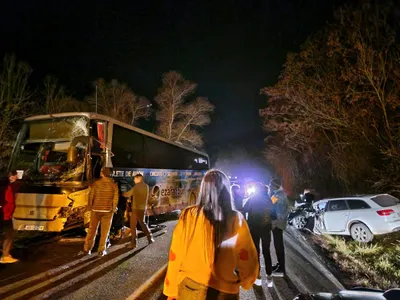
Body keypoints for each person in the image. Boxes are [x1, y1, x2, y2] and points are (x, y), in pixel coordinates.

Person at [163, 169, 259, 300]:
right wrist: (247, 280)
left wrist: (171, 289)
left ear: (203, 189)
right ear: (226, 190)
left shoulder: (188, 215)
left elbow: (175, 255)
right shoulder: (236, 219)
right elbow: (247, 255)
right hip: (225, 291)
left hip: (190, 288)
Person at [242, 182, 274, 287]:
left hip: (254, 228)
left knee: (256, 253)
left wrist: (247, 222)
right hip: (266, 229)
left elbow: (244, 210)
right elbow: (274, 215)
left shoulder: (252, 199)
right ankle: (269, 278)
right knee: (267, 252)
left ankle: (258, 277)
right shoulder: (269, 200)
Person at [83, 167, 118, 257]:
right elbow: (115, 199)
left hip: (95, 210)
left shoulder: (96, 184)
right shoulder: (113, 185)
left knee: (92, 230)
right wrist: (114, 208)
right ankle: (101, 251)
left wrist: (90, 207)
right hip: (107, 211)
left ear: (102, 173)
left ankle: (87, 249)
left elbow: (91, 196)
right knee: (104, 232)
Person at [123, 174, 154, 249]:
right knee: (143, 223)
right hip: (142, 208)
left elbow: (128, 194)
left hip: (135, 208)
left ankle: (134, 243)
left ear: (138, 179)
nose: (134, 180)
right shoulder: (146, 186)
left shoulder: (137, 186)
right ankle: (150, 238)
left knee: (133, 225)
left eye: (135, 179)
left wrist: (122, 193)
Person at [0, 170, 22, 263]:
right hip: (4, 214)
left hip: (4, 213)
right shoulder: (6, 187)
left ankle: (5, 253)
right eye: (14, 176)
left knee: (6, 234)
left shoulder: (5, 185)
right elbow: (8, 201)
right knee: (9, 234)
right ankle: (5, 256)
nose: (15, 178)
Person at [269, 178, 289, 277]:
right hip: (278, 223)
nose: (269, 186)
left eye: (270, 184)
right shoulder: (278, 194)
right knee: (278, 245)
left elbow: (274, 208)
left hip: (277, 223)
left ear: (274, 185)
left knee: (278, 245)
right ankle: (279, 264)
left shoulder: (279, 195)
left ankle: (281, 268)